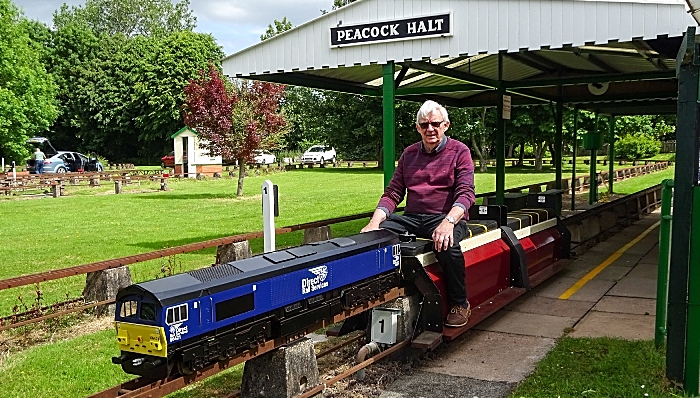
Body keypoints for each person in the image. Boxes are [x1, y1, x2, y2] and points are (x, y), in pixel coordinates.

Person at [361, 100, 476, 327]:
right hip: (413, 217)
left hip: (446, 216)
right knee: (374, 238)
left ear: (446, 125)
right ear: (417, 128)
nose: (430, 129)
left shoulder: (460, 152)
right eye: (424, 125)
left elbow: (466, 194)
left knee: (448, 245)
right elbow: (394, 192)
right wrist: (374, 223)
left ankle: (460, 303)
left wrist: (449, 222)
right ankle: (370, 300)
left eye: (435, 123)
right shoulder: (409, 154)